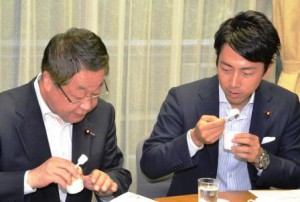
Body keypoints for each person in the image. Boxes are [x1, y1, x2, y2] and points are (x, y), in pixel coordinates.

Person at [140, 10, 300, 196]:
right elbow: (150, 165)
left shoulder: (285, 104)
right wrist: (194, 139)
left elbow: (296, 174)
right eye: (226, 68)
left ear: (267, 70)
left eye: (247, 73)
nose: (233, 83)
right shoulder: (184, 99)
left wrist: (261, 158)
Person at [0, 28, 131, 201]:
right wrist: (30, 178)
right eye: (77, 96)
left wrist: (106, 183)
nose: (87, 105)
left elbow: (118, 172)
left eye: (95, 93)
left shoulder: (103, 114)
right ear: (48, 81)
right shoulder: (5, 113)